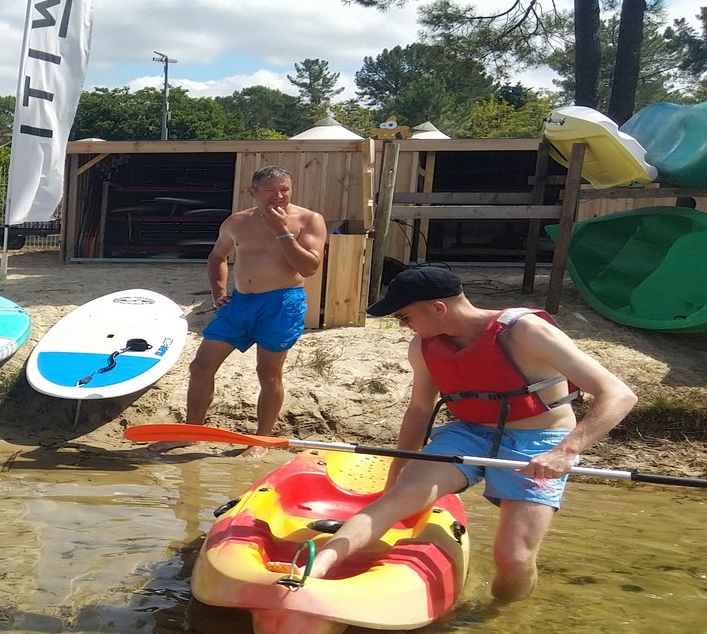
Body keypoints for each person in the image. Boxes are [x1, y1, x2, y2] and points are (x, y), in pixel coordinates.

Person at [304, 264, 636, 601]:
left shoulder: (526, 332)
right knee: (398, 498)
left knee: (513, 557)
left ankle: (503, 624)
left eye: (404, 317)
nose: (403, 327)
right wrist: (398, 469)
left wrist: (564, 452)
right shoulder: (423, 347)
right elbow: (419, 409)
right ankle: (315, 571)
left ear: (438, 308)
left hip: (541, 441)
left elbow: (620, 394)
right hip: (469, 434)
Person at [152, 165, 327, 454]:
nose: (278, 196)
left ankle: (261, 441)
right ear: (253, 192)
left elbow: (308, 267)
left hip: (282, 303)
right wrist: (218, 291)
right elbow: (217, 256)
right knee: (200, 366)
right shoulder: (237, 221)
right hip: (241, 303)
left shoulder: (309, 219)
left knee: (268, 373)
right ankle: (191, 432)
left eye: (284, 189)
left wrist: (282, 231)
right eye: (270, 190)